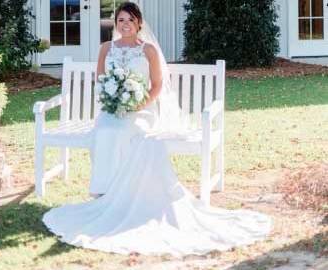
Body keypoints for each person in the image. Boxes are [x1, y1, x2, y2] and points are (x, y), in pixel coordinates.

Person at [43, 2, 271, 257]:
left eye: (130, 20)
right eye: (120, 20)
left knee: (127, 132)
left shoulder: (148, 50)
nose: (125, 24)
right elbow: (100, 80)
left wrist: (136, 103)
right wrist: (115, 100)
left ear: (139, 23)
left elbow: (158, 85)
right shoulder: (106, 48)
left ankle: (125, 194)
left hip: (143, 110)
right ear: (115, 24)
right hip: (113, 108)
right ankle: (104, 192)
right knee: (106, 130)